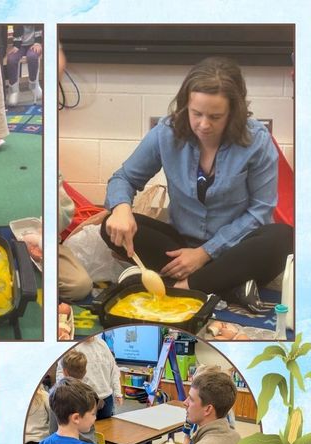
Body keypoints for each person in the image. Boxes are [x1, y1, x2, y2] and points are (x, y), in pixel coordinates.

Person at [101, 56, 292, 310]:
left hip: (235, 249)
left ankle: (182, 287)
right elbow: (123, 178)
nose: (203, 124)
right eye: (196, 113)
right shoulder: (166, 132)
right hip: (180, 246)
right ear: (185, 106)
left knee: (283, 237)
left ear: (233, 112)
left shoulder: (257, 140)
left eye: (215, 116)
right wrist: (121, 209)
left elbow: (260, 211)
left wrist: (204, 253)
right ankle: (228, 286)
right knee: (109, 227)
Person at [56, 336, 121, 420]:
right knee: (83, 427)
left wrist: (117, 392)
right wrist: (66, 396)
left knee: (106, 426)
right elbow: (61, 373)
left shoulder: (102, 344)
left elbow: (113, 369)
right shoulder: (71, 346)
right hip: (83, 400)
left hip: (106, 399)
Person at [5, 25, 43, 99]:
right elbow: (16, 34)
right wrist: (16, 46)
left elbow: (40, 30)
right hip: (19, 46)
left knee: (32, 56)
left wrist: (38, 43)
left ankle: (33, 85)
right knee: (11, 59)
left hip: (34, 44)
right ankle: (14, 90)